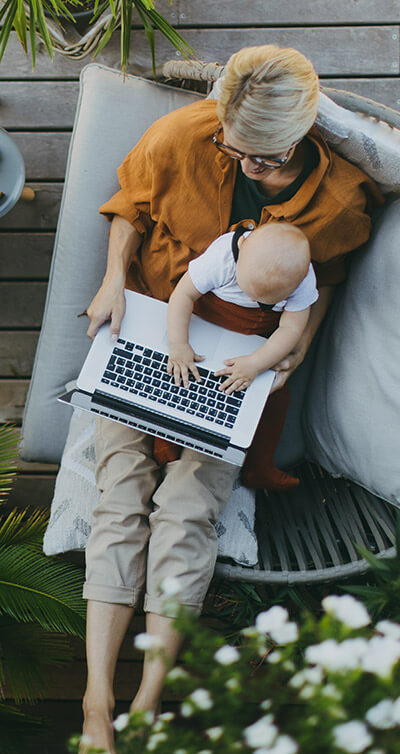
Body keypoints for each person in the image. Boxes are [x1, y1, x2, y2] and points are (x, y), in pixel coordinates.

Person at [81, 44, 383, 753]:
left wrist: (296, 349)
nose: (239, 157)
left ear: (299, 136)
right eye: (232, 142)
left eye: (258, 154)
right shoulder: (186, 134)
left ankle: (149, 698)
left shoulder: (337, 199)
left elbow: (326, 280)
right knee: (119, 498)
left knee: (187, 514)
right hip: (157, 331)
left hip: (238, 369)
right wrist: (109, 280)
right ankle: (97, 698)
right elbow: (127, 207)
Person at [160, 222, 318, 490]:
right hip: (206, 327)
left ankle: (260, 465)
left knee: (276, 397)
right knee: (180, 376)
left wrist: (257, 364)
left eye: (268, 298)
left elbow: (291, 329)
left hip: (255, 344)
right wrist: (179, 345)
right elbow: (183, 295)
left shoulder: (302, 278)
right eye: (248, 289)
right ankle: (164, 443)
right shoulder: (222, 256)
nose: (253, 298)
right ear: (241, 249)